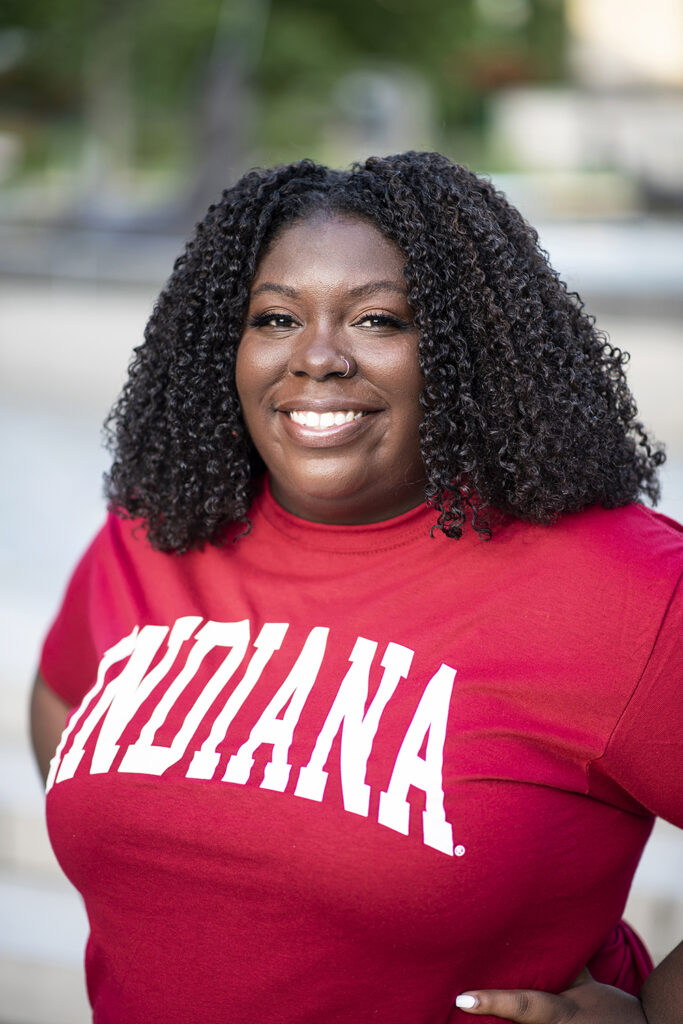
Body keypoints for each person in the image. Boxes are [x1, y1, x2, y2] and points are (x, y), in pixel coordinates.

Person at [31, 152, 682, 1024]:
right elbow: (62, 701)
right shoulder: (161, 529)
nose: (318, 358)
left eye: (378, 319)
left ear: (465, 351)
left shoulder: (622, 587)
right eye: (274, 318)